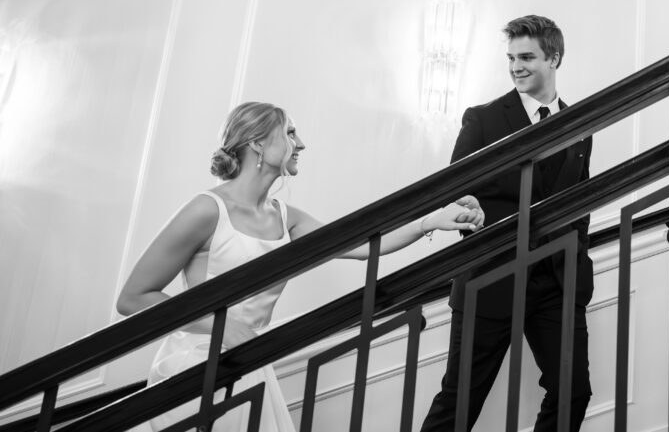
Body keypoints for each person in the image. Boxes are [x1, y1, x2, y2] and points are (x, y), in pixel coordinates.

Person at [116, 101, 483, 432]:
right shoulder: (206, 210)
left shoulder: (286, 218)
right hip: (193, 367)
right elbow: (133, 297)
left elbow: (367, 244)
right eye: (290, 132)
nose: (301, 143)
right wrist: (222, 328)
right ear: (258, 143)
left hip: (249, 364)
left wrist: (431, 220)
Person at [420, 15, 594, 432]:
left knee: (573, 392)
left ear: (553, 58)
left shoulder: (581, 124)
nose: (516, 66)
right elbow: (454, 191)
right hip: (491, 278)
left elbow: (580, 203)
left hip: (555, 282)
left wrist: (576, 272)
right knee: (459, 404)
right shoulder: (483, 120)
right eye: (511, 57)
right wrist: (474, 218)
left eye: (527, 57)